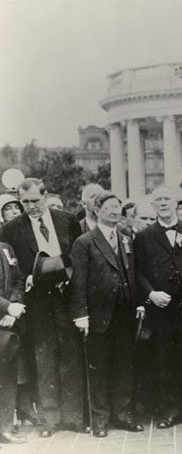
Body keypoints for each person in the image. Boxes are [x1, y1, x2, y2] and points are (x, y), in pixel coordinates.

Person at [0, 178, 84, 437]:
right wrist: (25, 276)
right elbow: (11, 267)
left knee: (71, 356)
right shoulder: (12, 229)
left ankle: (74, 417)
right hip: (36, 303)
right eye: (25, 202)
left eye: (35, 201)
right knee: (44, 358)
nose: (31, 207)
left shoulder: (67, 220)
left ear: (46, 196)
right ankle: (51, 419)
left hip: (66, 298)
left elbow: (79, 258)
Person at [69, 192, 144, 437]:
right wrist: (81, 314)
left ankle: (123, 414)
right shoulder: (85, 241)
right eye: (109, 207)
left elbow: (133, 272)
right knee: (98, 368)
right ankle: (100, 420)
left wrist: (138, 302)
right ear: (97, 210)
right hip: (99, 314)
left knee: (124, 365)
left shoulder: (126, 239)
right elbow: (78, 281)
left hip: (124, 312)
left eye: (117, 207)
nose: (114, 211)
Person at [134, 185, 182, 428]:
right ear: (153, 206)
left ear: (175, 203)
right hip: (162, 306)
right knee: (164, 358)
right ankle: (170, 410)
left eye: (167, 199)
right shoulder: (144, 236)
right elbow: (138, 271)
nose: (163, 203)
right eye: (158, 200)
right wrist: (151, 293)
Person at [0, 240, 28, 444]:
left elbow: (18, 278)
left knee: (7, 375)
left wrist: (15, 306)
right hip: (5, 313)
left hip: (7, 323)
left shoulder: (6, 248)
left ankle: (4, 427)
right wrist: (7, 307)